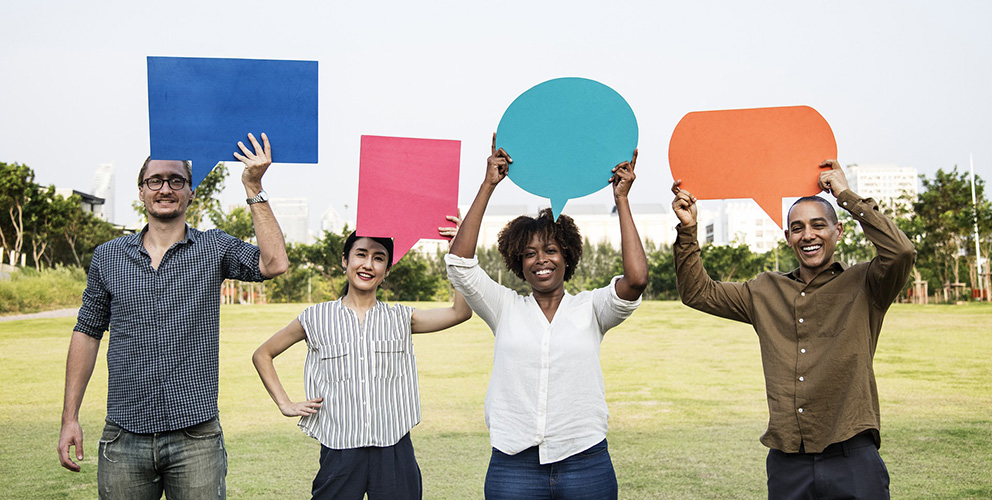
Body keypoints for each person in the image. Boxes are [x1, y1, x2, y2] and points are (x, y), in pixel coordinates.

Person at [57, 133, 289, 500]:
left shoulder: (215, 247)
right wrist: (70, 417)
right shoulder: (108, 257)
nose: (165, 188)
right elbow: (86, 334)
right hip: (123, 435)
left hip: (195, 437)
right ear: (141, 191)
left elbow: (274, 263)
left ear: (191, 191)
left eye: (176, 181)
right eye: (155, 181)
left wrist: (254, 186)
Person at [671, 160, 916, 500]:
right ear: (788, 238)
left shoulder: (867, 284)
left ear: (838, 232)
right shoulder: (764, 291)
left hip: (853, 456)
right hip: (788, 462)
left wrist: (844, 194)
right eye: (798, 228)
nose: (808, 235)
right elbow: (698, 293)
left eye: (818, 225)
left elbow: (901, 251)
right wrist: (687, 230)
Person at [445, 134, 648, 500]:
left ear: (567, 256)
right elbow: (460, 264)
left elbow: (636, 280)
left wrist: (621, 200)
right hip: (513, 465)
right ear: (517, 264)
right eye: (529, 253)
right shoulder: (504, 307)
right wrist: (488, 185)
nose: (541, 259)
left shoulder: (591, 308)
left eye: (551, 250)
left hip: (585, 462)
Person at [252, 226, 472, 500]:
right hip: (339, 450)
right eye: (361, 254)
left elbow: (460, 312)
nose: (368, 264)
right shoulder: (315, 318)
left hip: (394, 449)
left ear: (387, 270)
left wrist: (459, 250)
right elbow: (263, 354)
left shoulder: (401, 318)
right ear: (345, 260)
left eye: (379, 258)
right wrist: (284, 403)